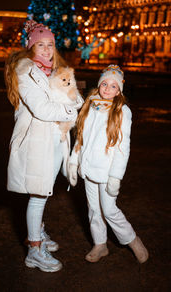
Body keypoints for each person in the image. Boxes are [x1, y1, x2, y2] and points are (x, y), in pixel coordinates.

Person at [5, 20, 83, 273]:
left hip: (52, 141)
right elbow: (41, 108)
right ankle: (34, 250)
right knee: (38, 196)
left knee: (41, 193)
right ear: (30, 47)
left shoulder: (50, 71)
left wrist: (72, 103)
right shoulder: (26, 71)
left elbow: (76, 95)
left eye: (50, 44)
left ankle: (36, 232)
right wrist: (70, 109)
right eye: (41, 45)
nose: (47, 50)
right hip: (36, 143)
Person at [68, 65, 149, 264]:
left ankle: (132, 239)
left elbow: (123, 147)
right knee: (93, 208)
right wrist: (73, 161)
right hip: (88, 168)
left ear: (119, 90)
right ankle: (100, 244)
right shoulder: (90, 105)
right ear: (99, 85)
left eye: (113, 86)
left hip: (106, 172)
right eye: (104, 83)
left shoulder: (122, 111)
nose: (107, 88)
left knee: (109, 209)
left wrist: (115, 176)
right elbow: (80, 138)